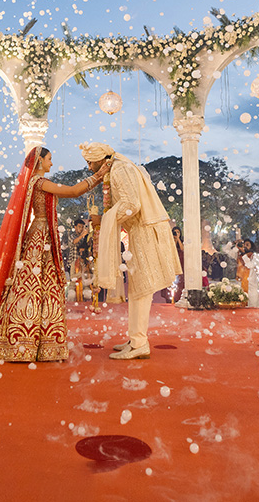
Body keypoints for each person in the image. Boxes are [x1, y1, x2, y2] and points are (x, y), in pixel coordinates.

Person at [0, 146, 108, 362]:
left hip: (43, 235)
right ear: (39, 161)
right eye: (49, 159)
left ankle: (39, 341)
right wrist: (98, 176)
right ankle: (24, 340)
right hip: (41, 235)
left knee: (41, 284)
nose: (51, 163)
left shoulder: (36, 182)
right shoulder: (38, 182)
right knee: (33, 285)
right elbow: (73, 191)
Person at [81, 141, 181, 361]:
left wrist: (103, 219)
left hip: (145, 230)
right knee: (137, 288)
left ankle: (139, 343)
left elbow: (131, 205)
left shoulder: (120, 169)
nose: (89, 167)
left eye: (90, 162)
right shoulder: (117, 167)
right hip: (141, 230)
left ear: (100, 159)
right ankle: (135, 339)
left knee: (141, 289)